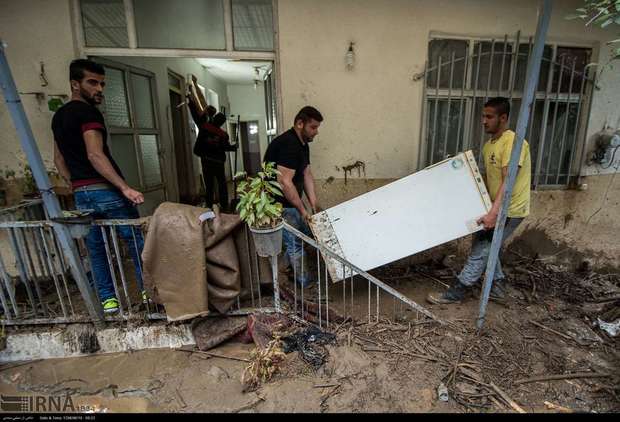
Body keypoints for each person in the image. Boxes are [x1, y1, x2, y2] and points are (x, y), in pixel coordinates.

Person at [52, 59, 147, 313]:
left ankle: (109, 301)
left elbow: (58, 160)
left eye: (102, 83)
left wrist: (74, 185)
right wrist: (125, 188)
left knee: (96, 249)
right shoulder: (88, 113)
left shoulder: (59, 116)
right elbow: (95, 154)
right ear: (75, 84)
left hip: (83, 196)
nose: (99, 89)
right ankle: (149, 295)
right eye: (92, 82)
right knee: (135, 242)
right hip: (107, 191)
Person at [427, 97, 531, 305]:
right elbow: (487, 179)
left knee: (481, 250)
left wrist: (494, 213)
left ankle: (457, 292)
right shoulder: (489, 146)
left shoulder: (513, 143)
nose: (484, 121)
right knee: (486, 247)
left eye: (489, 117)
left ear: (503, 118)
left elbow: (508, 181)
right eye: (483, 116)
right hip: (495, 206)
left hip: (510, 209)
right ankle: (499, 286)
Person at [263, 106, 323, 287]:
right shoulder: (288, 144)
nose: (316, 132)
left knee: (303, 234)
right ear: (299, 124)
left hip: (291, 202)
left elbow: (306, 174)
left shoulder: (302, 144)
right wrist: (302, 209)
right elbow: (285, 183)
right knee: (295, 241)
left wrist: (314, 204)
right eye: (313, 127)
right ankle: (303, 281)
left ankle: (286, 269)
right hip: (280, 203)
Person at [187, 77, 237, 212]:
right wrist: (234, 147)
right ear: (222, 122)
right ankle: (225, 206)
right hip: (219, 163)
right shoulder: (223, 134)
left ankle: (209, 206)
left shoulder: (204, 127)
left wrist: (190, 100)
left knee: (209, 185)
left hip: (206, 162)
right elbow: (226, 147)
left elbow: (196, 112)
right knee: (222, 184)